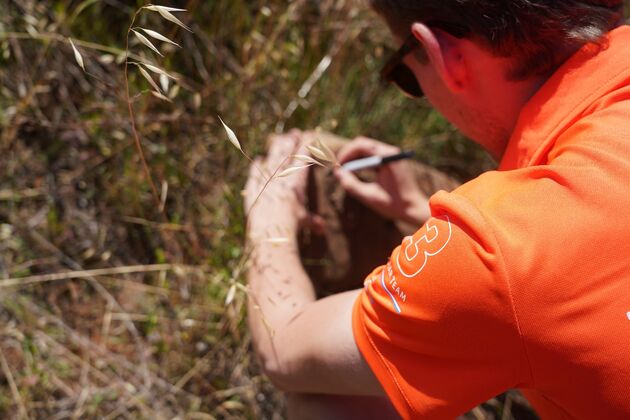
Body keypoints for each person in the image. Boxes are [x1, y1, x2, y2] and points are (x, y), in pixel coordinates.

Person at [244, 0, 630, 418]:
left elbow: (284, 351)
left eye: (405, 74)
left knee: (327, 404)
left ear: (447, 55)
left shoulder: (505, 250)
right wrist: (416, 209)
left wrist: (268, 218)